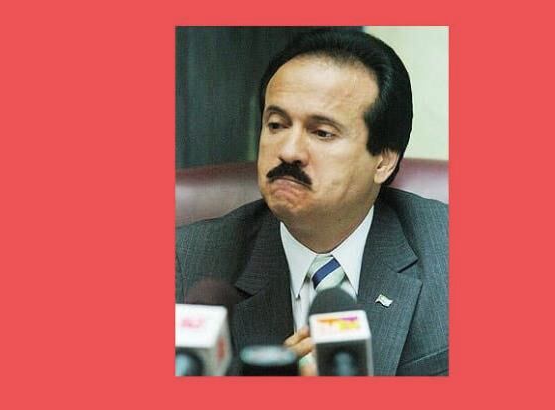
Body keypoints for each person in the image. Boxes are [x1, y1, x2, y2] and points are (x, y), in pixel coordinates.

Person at [176, 29, 448, 376]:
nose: (289, 151)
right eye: (276, 125)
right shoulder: (187, 263)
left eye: (322, 132)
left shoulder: (448, 253)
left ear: (383, 160)